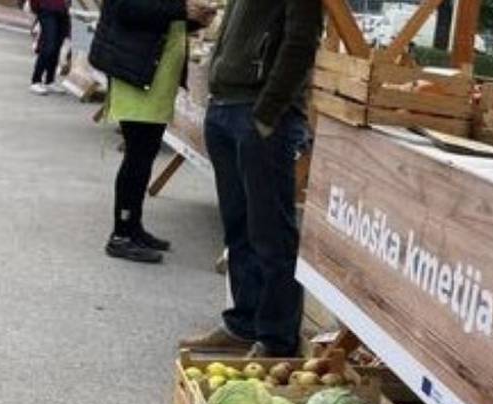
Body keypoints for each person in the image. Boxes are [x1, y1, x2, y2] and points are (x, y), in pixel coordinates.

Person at [178, 0, 323, 357]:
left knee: (270, 231)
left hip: (258, 113)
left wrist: (268, 112)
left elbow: (302, 41)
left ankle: (277, 339)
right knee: (238, 228)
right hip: (226, 106)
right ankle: (243, 324)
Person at [88, 0, 215, 263]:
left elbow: (162, 17)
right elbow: (127, 9)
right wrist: (182, 10)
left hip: (156, 78)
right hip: (135, 74)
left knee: (145, 155)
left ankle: (133, 226)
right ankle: (121, 234)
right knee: (137, 156)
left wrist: (195, 19)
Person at [28, 0, 69, 94]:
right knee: (49, 45)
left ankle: (50, 81)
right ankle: (36, 81)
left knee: (57, 47)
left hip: (62, 10)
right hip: (47, 9)